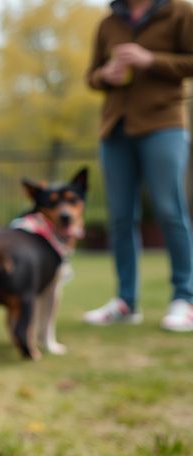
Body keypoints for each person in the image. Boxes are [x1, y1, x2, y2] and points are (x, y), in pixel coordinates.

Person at [83, 0, 193, 332]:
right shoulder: (108, 22)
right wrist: (105, 74)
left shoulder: (179, 12)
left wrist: (151, 60)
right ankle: (125, 301)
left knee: (169, 210)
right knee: (119, 217)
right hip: (115, 127)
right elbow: (91, 76)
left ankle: (184, 299)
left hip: (163, 124)